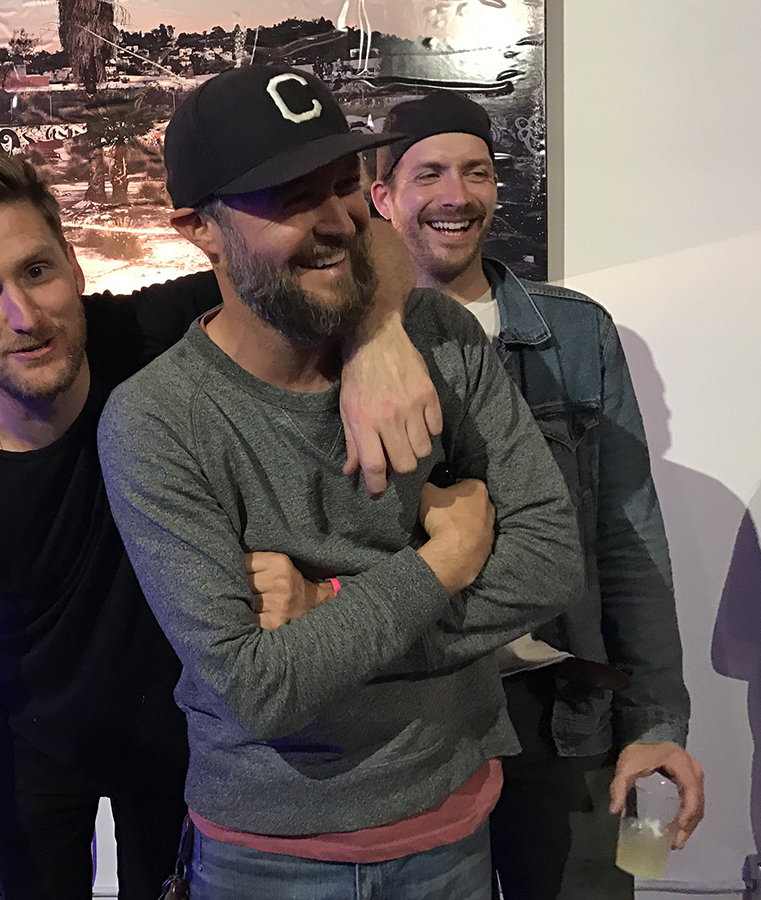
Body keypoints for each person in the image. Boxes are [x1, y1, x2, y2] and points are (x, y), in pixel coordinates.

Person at [0, 148, 440, 900]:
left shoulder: (150, 337)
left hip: (186, 735)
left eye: (37, 271)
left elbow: (372, 242)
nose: (25, 316)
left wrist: (379, 339)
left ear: (74, 264)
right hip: (33, 744)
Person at [97, 64, 583, 900]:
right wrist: (443, 561)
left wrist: (325, 609)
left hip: (452, 822)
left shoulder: (436, 335)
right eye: (293, 197)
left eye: (344, 182)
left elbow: (549, 560)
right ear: (200, 228)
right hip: (267, 857)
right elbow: (260, 689)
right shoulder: (156, 419)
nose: (338, 220)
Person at [370, 90, 704, 899]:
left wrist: (656, 724)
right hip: (411, 722)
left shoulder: (576, 333)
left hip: (566, 713)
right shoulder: (342, 345)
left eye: (477, 172)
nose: (456, 195)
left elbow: (627, 540)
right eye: (429, 174)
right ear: (381, 197)